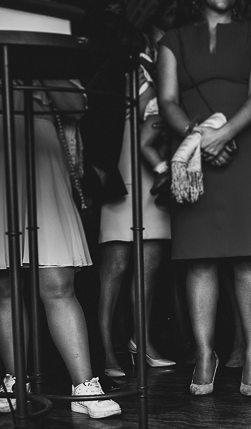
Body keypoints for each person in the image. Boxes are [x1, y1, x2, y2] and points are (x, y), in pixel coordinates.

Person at [0, 77, 121, 419]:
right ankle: (17, 381)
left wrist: (39, 67)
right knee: (1, 283)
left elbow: (75, 104)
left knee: (57, 280)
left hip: (37, 153)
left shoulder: (39, 48)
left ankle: (85, 384)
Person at [157, 0, 251, 396]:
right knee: (198, 255)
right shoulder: (173, 40)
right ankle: (206, 354)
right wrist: (200, 138)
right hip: (193, 153)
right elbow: (167, 101)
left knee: (248, 252)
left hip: (247, 150)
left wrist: (223, 135)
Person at [98, 9, 176, 379]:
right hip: (124, 165)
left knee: (150, 266)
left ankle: (139, 341)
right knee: (114, 267)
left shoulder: (170, 64)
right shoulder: (127, 58)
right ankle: (104, 350)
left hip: (154, 170)